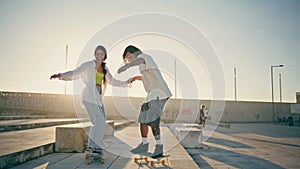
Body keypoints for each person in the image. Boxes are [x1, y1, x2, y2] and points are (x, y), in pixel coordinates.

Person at [50, 45, 131, 156]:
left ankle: (91, 147)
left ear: (104, 56)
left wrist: (126, 83)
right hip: (89, 96)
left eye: (101, 54)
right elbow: (75, 73)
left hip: (98, 97)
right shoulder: (88, 65)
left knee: (100, 123)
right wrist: (61, 75)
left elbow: (112, 81)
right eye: (97, 54)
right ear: (95, 55)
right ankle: (94, 147)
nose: (99, 56)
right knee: (99, 122)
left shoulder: (105, 69)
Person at [118, 45, 172, 158]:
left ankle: (159, 146)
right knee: (142, 119)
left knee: (153, 120)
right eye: (127, 59)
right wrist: (136, 78)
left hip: (159, 94)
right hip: (151, 95)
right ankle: (144, 144)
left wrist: (127, 66)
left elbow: (140, 60)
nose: (129, 60)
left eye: (129, 57)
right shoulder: (143, 65)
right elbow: (146, 76)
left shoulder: (144, 57)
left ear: (133, 52)